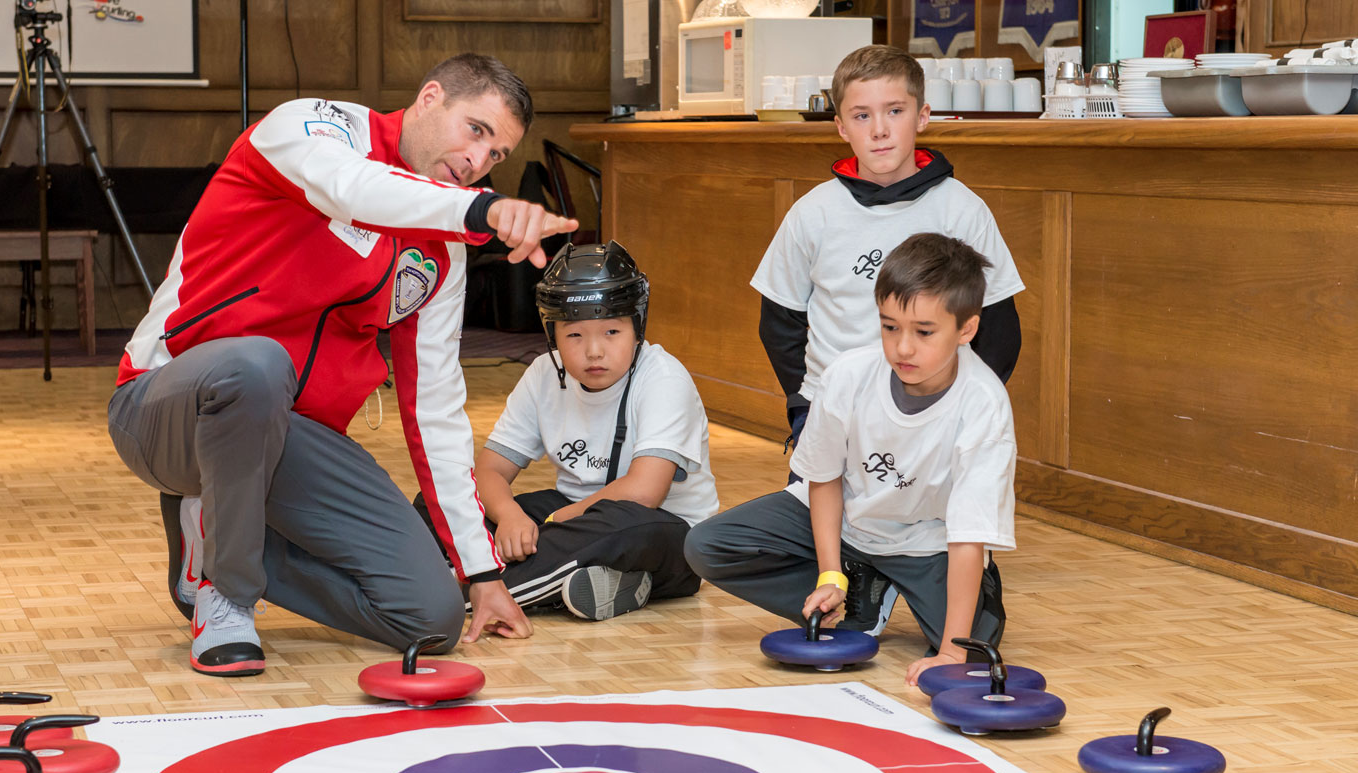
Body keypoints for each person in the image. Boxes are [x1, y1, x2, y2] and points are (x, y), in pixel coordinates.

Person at [107, 53, 578, 676]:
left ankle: (215, 534)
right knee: (256, 365)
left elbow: (433, 409)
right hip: (167, 407)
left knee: (429, 617)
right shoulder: (314, 128)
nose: (478, 162)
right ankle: (226, 596)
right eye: (476, 131)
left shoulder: (443, 251)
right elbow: (351, 188)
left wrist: (481, 570)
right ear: (430, 97)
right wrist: (482, 211)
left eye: (497, 157)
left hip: (290, 442)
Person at [750, 44, 1024, 631]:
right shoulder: (811, 213)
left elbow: (999, 329)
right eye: (863, 115)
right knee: (820, 524)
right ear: (840, 124)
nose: (880, 130)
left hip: (931, 412)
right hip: (835, 410)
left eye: (895, 112)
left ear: (923, 116)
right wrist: (807, 406)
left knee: (944, 555)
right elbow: (779, 322)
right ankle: (857, 583)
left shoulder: (961, 209)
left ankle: (942, 575)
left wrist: (956, 411)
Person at [685, 233, 1015, 687]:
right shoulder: (847, 375)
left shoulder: (985, 404)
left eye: (923, 332)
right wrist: (830, 575)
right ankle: (860, 588)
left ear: (966, 330)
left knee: (967, 643)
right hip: (847, 527)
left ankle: (971, 589)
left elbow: (967, 533)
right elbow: (823, 478)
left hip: (928, 541)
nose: (902, 348)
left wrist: (950, 652)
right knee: (705, 546)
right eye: (889, 327)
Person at [415, 241, 719, 621]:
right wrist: (509, 515)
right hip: (573, 518)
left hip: (664, 532)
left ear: (638, 327)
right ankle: (588, 581)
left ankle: (457, 593)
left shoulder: (665, 377)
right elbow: (489, 471)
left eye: (611, 331)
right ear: (552, 334)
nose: (594, 351)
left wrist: (553, 525)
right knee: (439, 500)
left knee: (620, 528)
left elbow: (644, 492)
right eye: (574, 335)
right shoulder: (544, 374)